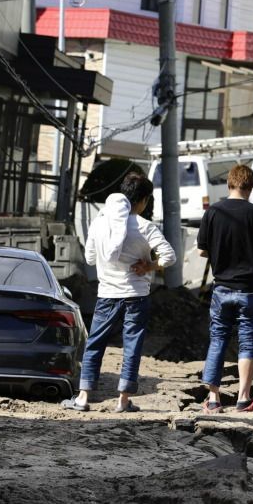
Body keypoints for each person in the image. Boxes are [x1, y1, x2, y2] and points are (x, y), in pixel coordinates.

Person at [63, 173, 176, 413]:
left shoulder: (99, 223)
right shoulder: (146, 227)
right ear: (144, 200)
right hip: (136, 294)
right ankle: (123, 401)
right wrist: (149, 266)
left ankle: (83, 397)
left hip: (106, 294)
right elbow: (170, 257)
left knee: (95, 343)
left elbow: (90, 258)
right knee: (132, 345)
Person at [196, 164, 253, 413]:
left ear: (229, 184)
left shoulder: (213, 212)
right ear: (251, 187)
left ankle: (213, 399)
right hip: (249, 288)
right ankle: (243, 398)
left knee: (218, 337)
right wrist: (252, 257)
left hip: (221, 288)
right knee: (248, 341)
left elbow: (202, 250)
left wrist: (220, 255)